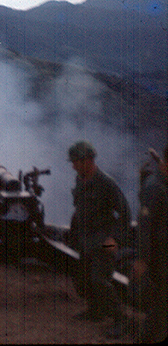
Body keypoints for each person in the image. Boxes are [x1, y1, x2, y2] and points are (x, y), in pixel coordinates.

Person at [65, 140, 131, 339]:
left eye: (76, 161)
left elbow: (125, 214)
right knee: (84, 280)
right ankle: (96, 311)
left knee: (100, 280)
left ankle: (122, 320)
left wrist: (113, 242)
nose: (73, 165)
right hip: (86, 240)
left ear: (87, 160)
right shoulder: (81, 179)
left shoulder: (106, 183)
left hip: (104, 242)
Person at [132, 145, 167, 343]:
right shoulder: (155, 186)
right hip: (159, 256)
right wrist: (143, 260)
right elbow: (145, 227)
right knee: (161, 306)